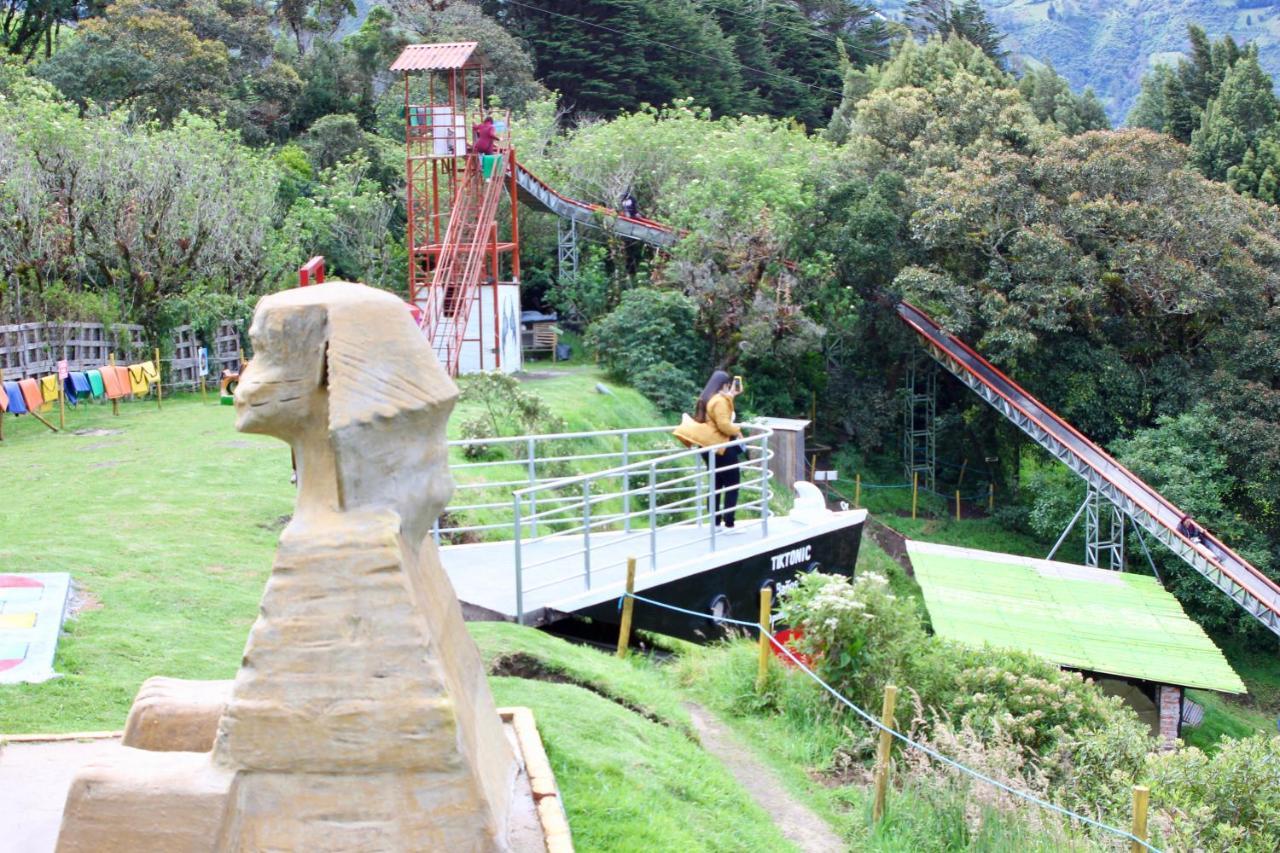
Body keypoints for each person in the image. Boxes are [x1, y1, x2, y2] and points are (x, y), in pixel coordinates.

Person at [673, 370, 744, 533]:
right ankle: (729, 524)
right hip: (721, 447)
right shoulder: (719, 401)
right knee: (732, 484)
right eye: (729, 385)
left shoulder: (707, 398)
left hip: (708, 447)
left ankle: (715, 522)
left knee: (716, 484)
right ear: (725, 384)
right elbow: (724, 425)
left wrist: (732, 395)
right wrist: (738, 429)